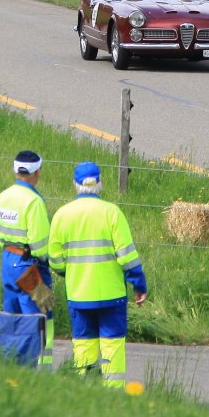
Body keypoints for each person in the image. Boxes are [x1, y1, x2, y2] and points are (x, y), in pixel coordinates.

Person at [47, 161, 147, 388]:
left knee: (84, 344)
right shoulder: (112, 212)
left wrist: (70, 273)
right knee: (112, 345)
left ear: (75, 184)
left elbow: (55, 260)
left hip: (79, 294)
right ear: (100, 183)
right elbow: (127, 256)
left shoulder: (62, 215)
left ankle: (85, 391)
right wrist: (138, 284)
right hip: (112, 294)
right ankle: (113, 392)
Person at [0, 150, 54, 368]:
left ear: (15, 170)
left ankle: (10, 364)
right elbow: (40, 245)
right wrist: (50, 263)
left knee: (11, 317)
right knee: (39, 315)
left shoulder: (1, 197)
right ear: (37, 172)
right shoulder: (34, 201)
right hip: (30, 268)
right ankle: (36, 368)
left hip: (7, 262)